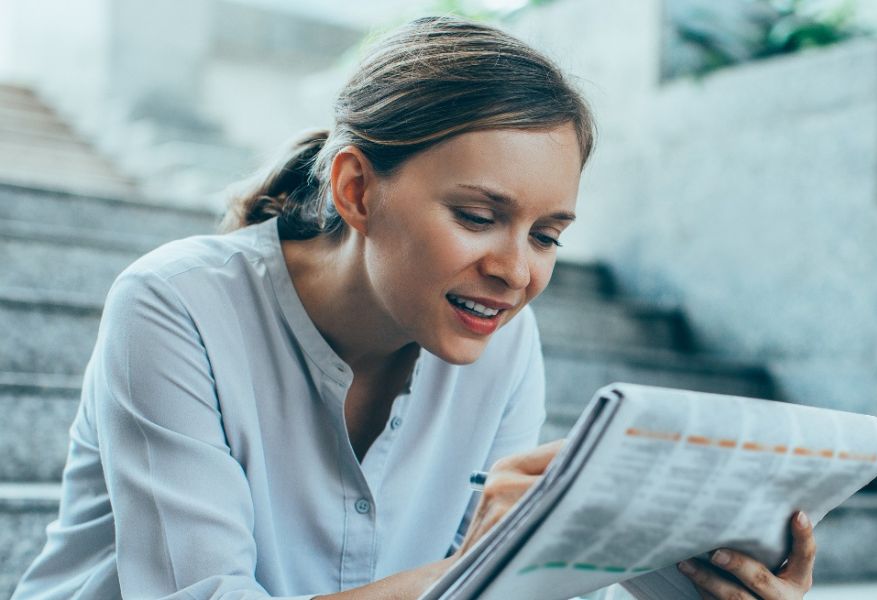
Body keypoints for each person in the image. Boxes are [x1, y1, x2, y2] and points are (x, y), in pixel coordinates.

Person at [13, 16, 815, 600]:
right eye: (476, 217)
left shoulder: (502, 342)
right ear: (357, 190)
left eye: (547, 235)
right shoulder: (175, 304)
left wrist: (673, 580)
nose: (514, 271)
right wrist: (492, 572)